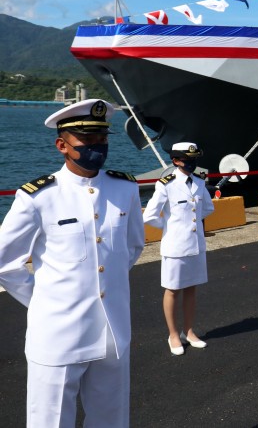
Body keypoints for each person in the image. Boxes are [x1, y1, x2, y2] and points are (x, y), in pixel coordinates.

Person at [0, 99, 145, 427]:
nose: (98, 146)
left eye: (102, 139)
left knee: (111, 420)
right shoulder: (39, 196)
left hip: (112, 332)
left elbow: (132, 247)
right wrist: (45, 300)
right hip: (57, 334)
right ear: (62, 145)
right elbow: (5, 263)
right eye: (88, 140)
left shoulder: (125, 189)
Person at [143, 142, 215, 356]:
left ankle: (189, 331)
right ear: (175, 160)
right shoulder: (166, 184)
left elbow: (207, 208)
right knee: (173, 290)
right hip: (175, 247)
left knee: (192, 288)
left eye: (194, 160)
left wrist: (189, 225)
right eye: (187, 160)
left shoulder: (199, 183)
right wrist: (170, 228)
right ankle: (173, 334)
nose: (191, 164)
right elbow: (149, 216)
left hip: (195, 245)